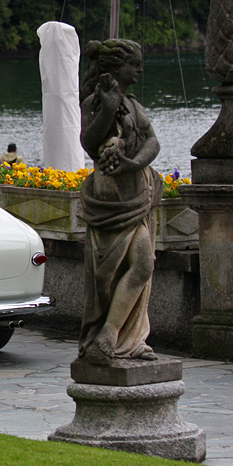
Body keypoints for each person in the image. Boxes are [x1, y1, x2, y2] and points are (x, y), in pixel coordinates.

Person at [77, 38, 160, 363]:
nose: (139, 69)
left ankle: (115, 337)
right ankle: (106, 335)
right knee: (107, 274)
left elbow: (153, 141)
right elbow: (89, 142)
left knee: (142, 263)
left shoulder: (135, 105)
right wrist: (109, 107)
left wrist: (135, 163)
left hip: (136, 192)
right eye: (133, 64)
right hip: (111, 197)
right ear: (115, 67)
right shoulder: (96, 102)